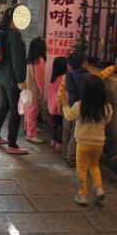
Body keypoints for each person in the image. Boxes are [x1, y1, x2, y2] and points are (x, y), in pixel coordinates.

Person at [62, 75, 113, 205]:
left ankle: (82, 195)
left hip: (83, 143)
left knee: (81, 167)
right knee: (94, 165)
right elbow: (107, 120)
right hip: (98, 144)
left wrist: (65, 103)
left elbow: (68, 117)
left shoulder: (79, 106)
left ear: (84, 91)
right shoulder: (107, 108)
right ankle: (99, 188)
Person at [0, 5, 28, 154]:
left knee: (4, 106)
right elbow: (17, 60)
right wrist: (21, 79)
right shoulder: (15, 35)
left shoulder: (3, 31)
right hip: (11, 78)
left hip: (0, 75)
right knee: (15, 110)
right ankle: (12, 145)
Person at [63, 51, 90, 166]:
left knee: (67, 130)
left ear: (70, 65)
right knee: (76, 132)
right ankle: (72, 157)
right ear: (84, 63)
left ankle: (65, 153)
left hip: (68, 105)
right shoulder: (87, 77)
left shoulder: (68, 75)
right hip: (79, 107)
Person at [23, 37, 47, 144]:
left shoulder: (30, 60)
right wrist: (41, 91)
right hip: (34, 91)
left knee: (28, 111)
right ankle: (31, 134)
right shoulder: (39, 60)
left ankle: (27, 128)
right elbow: (39, 78)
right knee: (33, 112)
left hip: (27, 90)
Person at [48, 56, 68, 149]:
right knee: (61, 125)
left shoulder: (53, 78)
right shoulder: (63, 78)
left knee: (55, 124)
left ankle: (53, 140)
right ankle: (59, 143)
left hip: (53, 106)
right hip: (59, 106)